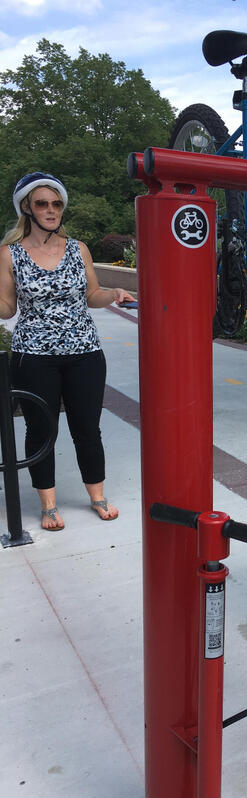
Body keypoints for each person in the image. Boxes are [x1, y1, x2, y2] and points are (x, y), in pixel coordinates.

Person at [0, 172, 136, 531]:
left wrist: (113, 295)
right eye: (42, 203)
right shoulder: (9, 254)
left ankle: (97, 496)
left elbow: (92, 295)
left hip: (84, 353)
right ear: (27, 208)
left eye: (56, 204)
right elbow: (7, 308)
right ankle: (48, 505)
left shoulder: (78, 248)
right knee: (40, 430)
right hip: (34, 357)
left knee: (87, 428)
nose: (51, 210)